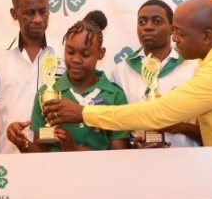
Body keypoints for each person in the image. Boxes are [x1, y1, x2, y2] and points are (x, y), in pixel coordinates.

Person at [40, 0, 212, 199]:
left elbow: (159, 113)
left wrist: (84, 114)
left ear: (207, 36)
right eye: (174, 31)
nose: (174, 40)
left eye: (180, 33)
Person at [18, 10, 130, 153]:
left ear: (101, 54)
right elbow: (39, 153)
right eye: (70, 52)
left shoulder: (115, 95)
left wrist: (74, 148)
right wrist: (21, 142)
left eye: (85, 54)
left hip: (100, 174)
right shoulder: (47, 93)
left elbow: (118, 157)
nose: (76, 60)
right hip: (56, 174)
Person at [0, 0, 60, 155]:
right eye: (29, 12)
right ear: (14, 14)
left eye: (43, 12)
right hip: (8, 158)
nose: (38, 19)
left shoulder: (64, 54)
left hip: (53, 157)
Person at [110, 0, 201, 148]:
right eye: (142, 22)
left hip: (185, 160)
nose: (148, 27)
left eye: (157, 22)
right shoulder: (121, 71)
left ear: (173, 29)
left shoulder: (193, 67)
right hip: (139, 162)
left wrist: (181, 127)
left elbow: (207, 128)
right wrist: (134, 143)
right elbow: (118, 128)